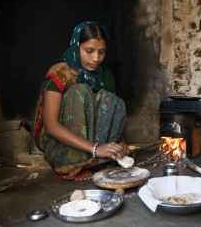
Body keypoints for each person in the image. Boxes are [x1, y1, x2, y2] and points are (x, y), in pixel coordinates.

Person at [33, 21, 129, 181]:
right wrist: (95, 148)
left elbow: (111, 113)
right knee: (80, 91)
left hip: (97, 148)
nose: (96, 58)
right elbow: (50, 126)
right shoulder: (59, 73)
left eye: (102, 52)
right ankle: (75, 164)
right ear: (76, 46)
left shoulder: (106, 76)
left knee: (115, 101)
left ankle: (99, 161)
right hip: (62, 145)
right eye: (89, 51)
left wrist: (118, 145)